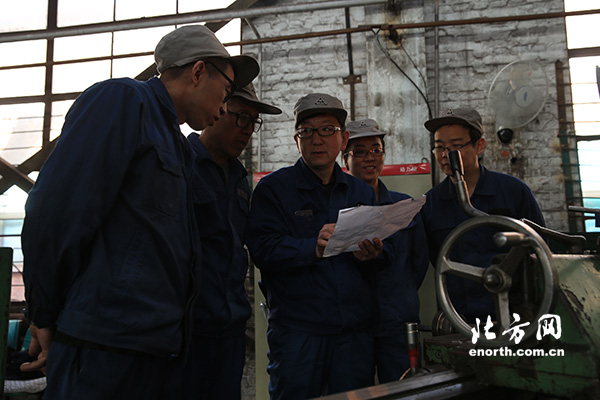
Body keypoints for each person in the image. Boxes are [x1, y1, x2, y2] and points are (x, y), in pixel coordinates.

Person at [20, 24, 259, 399]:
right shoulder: (124, 101)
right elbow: (53, 214)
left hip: (153, 349)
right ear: (198, 72)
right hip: (104, 346)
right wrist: (43, 313)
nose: (224, 106)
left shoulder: (175, 145)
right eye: (226, 91)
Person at [245, 94, 387, 399]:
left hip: (353, 336)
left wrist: (371, 255)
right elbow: (263, 250)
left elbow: (378, 260)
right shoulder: (274, 190)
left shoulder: (361, 192)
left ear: (343, 139)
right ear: (296, 140)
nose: (317, 139)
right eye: (306, 131)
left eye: (327, 130)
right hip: (298, 336)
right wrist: (314, 248)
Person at [181, 83, 281, 400]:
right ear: (217, 109)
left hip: (229, 329)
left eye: (253, 121)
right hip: (186, 332)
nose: (248, 129)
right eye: (241, 118)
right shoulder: (180, 165)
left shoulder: (239, 179)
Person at [421, 107, 545, 323]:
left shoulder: (513, 191)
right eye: (439, 147)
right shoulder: (430, 203)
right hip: (459, 318)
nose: (446, 155)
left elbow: (541, 249)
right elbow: (431, 258)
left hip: (513, 316)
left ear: (479, 146)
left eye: (456, 146)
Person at [342, 118, 429, 383]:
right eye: (359, 151)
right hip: (351, 327)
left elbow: (419, 262)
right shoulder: (338, 211)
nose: (369, 157)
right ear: (345, 159)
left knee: (405, 390)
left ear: (384, 155)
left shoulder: (404, 206)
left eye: (376, 150)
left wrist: (400, 294)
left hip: (397, 324)